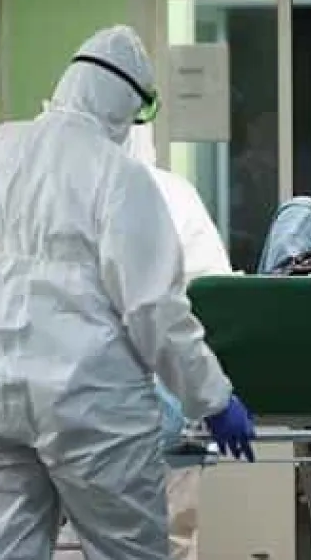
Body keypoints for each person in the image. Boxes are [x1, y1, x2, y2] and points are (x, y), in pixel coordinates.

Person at [0, 26, 254, 560]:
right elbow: (155, 311)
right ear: (128, 106)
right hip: (89, 407)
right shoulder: (120, 176)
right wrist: (211, 398)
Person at [124, 122, 232, 560]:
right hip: (160, 405)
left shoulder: (37, 190)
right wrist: (211, 395)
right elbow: (212, 307)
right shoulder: (171, 196)